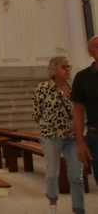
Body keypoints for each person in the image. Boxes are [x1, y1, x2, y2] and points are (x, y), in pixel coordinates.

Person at [32, 56, 84, 214]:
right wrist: (49, 125)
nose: (68, 69)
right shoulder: (43, 88)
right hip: (51, 136)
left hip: (73, 137)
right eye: (64, 67)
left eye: (69, 66)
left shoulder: (75, 89)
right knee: (52, 172)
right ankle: (52, 204)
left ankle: (79, 209)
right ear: (54, 70)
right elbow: (36, 112)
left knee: (76, 175)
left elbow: (80, 112)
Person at [71, 36, 98, 188]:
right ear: (90, 52)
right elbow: (78, 111)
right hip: (95, 137)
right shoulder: (83, 78)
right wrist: (80, 142)